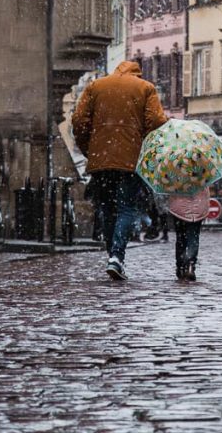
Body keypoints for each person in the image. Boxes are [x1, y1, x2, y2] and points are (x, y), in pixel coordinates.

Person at [72, 60, 167, 281]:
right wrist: (143, 140)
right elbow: (156, 120)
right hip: (130, 161)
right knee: (126, 209)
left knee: (106, 209)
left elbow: (78, 120)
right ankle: (116, 257)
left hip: (101, 161)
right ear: (137, 73)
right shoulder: (145, 88)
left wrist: (89, 146)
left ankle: (112, 255)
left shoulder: (96, 86)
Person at [166, 187, 210, 281]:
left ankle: (181, 266)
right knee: (193, 237)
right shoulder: (204, 172)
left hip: (179, 206)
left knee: (181, 237)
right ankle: (190, 264)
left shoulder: (175, 173)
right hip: (198, 205)